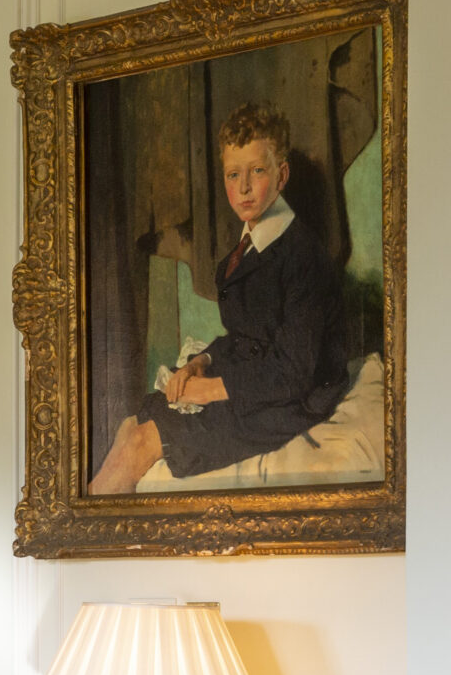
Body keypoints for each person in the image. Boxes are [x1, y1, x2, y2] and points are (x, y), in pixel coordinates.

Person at [89, 102, 356, 494]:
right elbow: (248, 334)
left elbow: (294, 370)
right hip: (256, 381)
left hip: (293, 399)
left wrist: (211, 389)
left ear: (282, 175)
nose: (244, 187)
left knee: (141, 441)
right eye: (234, 174)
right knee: (131, 424)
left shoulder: (303, 257)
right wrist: (203, 361)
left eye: (257, 171)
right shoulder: (244, 247)